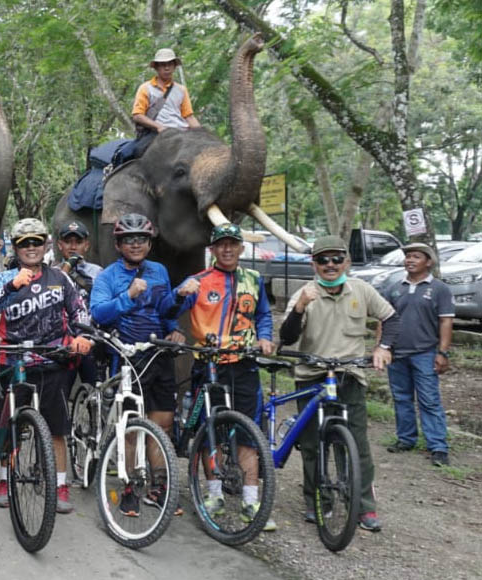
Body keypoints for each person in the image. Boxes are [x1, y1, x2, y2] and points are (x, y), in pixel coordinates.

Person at [279, 235, 399, 532]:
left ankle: (363, 506)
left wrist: (382, 348)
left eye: (336, 258)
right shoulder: (304, 294)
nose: (330, 265)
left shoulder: (362, 289)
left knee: (356, 443)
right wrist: (299, 308)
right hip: (312, 376)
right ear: (314, 264)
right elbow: (287, 337)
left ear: (346, 261)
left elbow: (391, 318)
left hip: (349, 375)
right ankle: (317, 501)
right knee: (310, 444)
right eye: (323, 259)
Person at [170, 222, 277, 530]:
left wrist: (266, 336)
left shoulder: (254, 279)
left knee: (248, 433)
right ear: (213, 249)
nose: (227, 249)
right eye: (221, 244)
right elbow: (169, 312)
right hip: (210, 365)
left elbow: (264, 315)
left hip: (244, 364)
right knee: (209, 430)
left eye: (233, 244)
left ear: (242, 248)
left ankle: (251, 499)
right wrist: (179, 297)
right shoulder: (199, 281)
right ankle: (213, 494)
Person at [0, 217, 92, 514]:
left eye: (36, 242)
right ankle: (5, 479)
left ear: (45, 245)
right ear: (16, 248)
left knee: (57, 429)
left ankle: (59, 484)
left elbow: (79, 311)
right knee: (12, 427)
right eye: (24, 243)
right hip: (14, 362)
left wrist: (82, 337)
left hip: (52, 360)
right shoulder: (3, 278)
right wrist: (11, 287)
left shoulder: (60, 277)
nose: (31, 248)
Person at [89, 213, 184, 517]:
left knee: (162, 424)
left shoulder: (159, 271)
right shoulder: (107, 277)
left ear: (149, 242)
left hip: (158, 353)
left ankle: (158, 488)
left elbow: (165, 310)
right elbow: (99, 314)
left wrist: (175, 323)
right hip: (127, 356)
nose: (135, 244)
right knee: (129, 429)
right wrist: (128, 296)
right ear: (118, 244)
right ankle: (129, 486)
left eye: (141, 239)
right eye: (128, 239)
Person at [382, 242, 454, 466]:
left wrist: (442, 352)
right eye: (408, 257)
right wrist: (382, 347)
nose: (410, 260)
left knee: (429, 400)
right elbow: (383, 319)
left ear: (428, 262)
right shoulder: (395, 287)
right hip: (397, 354)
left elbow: (446, 321)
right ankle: (406, 439)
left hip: (425, 353)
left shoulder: (439, 289)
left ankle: (438, 446)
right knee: (401, 398)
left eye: (416, 257)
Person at [120, 48, 202, 162]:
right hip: (156, 133)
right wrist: (159, 127)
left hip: (180, 132)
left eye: (170, 64)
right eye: (163, 65)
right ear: (156, 67)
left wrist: (202, 134)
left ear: (174, 66)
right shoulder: (146, 88)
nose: (167, 68)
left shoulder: (181, 90)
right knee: (131, 153)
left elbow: (189, 116)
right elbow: (137, 115)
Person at [56, 220, 104, 386]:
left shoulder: (97, 272)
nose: (73, 247)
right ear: (60, 245)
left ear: (87, 245)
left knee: (95, 392)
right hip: (63, 342)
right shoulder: (52, 273)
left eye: (78, 242)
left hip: (91, 339)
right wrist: (66, 270)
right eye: (68, 242)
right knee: (60, 393)